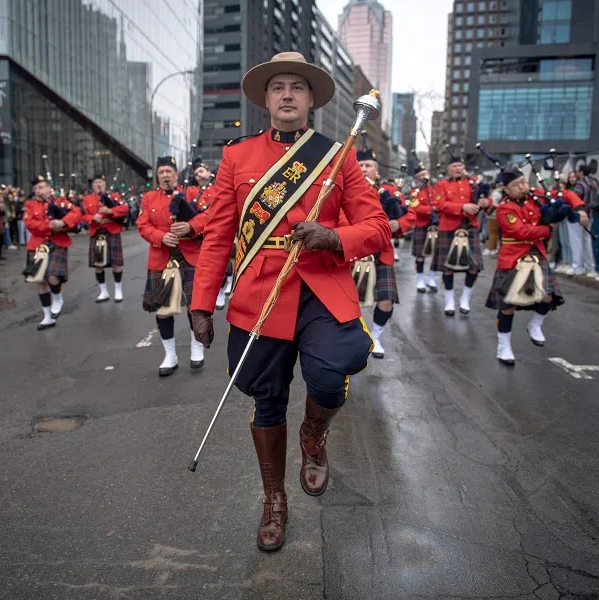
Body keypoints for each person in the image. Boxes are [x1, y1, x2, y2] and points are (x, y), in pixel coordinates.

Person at [189, 52, 391, 552]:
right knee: (266, 396)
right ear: (264, 98)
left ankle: (314, 433)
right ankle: (273, 498)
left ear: (310, 100)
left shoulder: (336, 154)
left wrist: (333, 236)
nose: (286, 94)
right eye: (277, 86)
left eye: (296, 87)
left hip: (320, 284)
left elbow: (379, 228)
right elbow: (217, 236)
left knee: (335, 368)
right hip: (260, 291)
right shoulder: (237, 156)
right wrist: (200, 301)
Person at [486, 166, 575, 365]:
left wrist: (577, 209)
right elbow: (520, 231)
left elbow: (565, 194)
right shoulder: (504, 208)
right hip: (513, 257)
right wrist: (547, 229)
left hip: (536, 254)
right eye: (515, 185)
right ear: (506, 190)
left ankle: (535, 324)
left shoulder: (536, 197)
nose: (522, 187)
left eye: (523, 182)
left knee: (548, 295)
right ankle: (504, 346)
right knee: (509, 305)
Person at [138, 156, 210, 376]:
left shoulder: (190, 193)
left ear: (176, 174)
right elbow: (143, 225)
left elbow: (209, 216)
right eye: (161, 172)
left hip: (189, 255)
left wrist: (190, 227)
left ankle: (196, 347)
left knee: (193, 305)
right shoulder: (149, 198)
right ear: (157, 176)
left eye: (169, 171)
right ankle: (170, 355)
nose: (165, 175)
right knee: (162, 310)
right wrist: (161, 236)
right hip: (162, 257)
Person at [356, 147, 415, 359]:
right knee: (351, 301)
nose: (364, 169)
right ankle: (354, 337)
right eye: (360, 165)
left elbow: (411, 214)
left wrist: (398, 223)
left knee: (386, 301)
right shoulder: (346, 189)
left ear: (377, 172)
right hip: (353, 253)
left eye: (368, 166)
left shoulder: (389, 192)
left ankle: (376, 337)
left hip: (382, 253)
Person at [433, 148, 488, 316]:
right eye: (454, 165)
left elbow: (486, 199)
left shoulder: (474, 183)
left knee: (473, 267)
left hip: (469, 227)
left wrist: (487, 202)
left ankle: (465, 297)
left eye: (460, 165)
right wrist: (462, 207)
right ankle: (449, 300)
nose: (457, 168)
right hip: (449, 227)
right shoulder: (441, 184)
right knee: (447, 267)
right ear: (449, 169)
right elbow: (439, 205)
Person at [23, 175, 83, 330]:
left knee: (53, 276)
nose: (39, 190)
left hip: (57, 242)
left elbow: (76, 213)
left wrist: (63, 222)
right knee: (40, 281)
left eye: (42, 187)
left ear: (50, 188)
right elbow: (30, 224)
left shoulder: (60, 201)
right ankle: (47, 317)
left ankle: (57, 297)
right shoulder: (30, 205)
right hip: (38, 244)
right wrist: (49, 225)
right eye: (36, 188)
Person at [187, 160, 230, 309]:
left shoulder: (219, 188)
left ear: (208, 172)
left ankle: (222, 288)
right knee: (206, 269)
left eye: (201, 171)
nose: (198, 175)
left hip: (218, 231)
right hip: (199, 235)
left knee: (222, 266)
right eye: (196, 173)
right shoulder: (192, 191)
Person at [83, 176, 130, 303]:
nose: (98, 185)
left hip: (111, 230)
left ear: (105, 184)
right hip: (96, 232)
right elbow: (83, 214)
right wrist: (92, 218)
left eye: (101, 182)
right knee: (98, 264)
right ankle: (103, 291)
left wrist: (110, 210)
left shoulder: (114, 196)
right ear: (92, 185)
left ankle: (118, 290)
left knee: (116, 263)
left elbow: (124, 208)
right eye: (96, 183)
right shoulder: (87, 199)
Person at [410, 164, 440, 292]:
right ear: (417, 179)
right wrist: (431, 210)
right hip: (421, 226)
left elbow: (440, 203)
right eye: (420, 176)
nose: (423, 177)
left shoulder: (436, 190)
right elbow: (415, 207)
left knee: (437, 255)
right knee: (420, 255)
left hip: (436, 225)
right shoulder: (414, 192)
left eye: (425, 174)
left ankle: (432, 278)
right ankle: (420, 280)